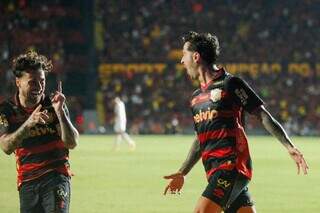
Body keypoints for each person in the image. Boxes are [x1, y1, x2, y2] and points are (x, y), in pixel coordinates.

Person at [163, 31, 309, 213]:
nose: (182, 61)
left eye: (184, 55)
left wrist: (288, 146)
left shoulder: (230, 84)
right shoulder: (196, 98)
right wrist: (182, 172)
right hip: (214, 171)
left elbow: (261, 114)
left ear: (196, 56)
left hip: (231, 167)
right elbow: (200, 140)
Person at [0, 50, 79, 213]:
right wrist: (29, 123)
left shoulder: (54, 104)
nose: (39, 87)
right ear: (18, 82)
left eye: (42, 81)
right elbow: (6, 147)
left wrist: (61, 113)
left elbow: (72, 143)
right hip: (28, 183)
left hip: (56, 177)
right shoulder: (6, 110)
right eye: (32, 82)